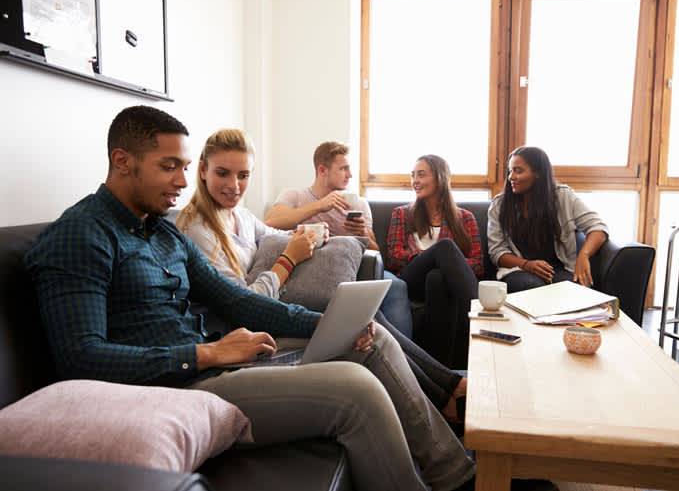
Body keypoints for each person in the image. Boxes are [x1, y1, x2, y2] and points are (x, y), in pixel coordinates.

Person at [23, 106, 475, 491]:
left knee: (370, 338)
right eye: (169, 166)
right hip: (179, 385)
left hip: (217, 362)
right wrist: (204, 353)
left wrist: (325, 325)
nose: (184, 181)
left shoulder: (159, 231)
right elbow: (79, 359)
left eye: (185, 166)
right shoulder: (80, 236)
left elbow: (237, 302)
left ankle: (458, 475)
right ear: (122, 161)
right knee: (355, 391)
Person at [176, 128, 467, 423]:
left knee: (369, 320)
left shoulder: (240, 215)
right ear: (202, 170)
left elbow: (276, 233)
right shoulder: (199, 230)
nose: (234, 186)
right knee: (365, 332)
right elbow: (243, 306)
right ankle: (446, 396)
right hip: (248, 334)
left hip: (271, 314)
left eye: (244, 175)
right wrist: (289, 258)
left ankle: (449, 388)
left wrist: (309, 235)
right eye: (223, 173)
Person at [264, 141, 414, 338]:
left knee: (396, 285)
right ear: (322, 170)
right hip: (308, 269)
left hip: (355, 269)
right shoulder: (294, 195)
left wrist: (363, 233)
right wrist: (320, 206)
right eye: (344, 169)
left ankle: (398, 356)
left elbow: (376, 252)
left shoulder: (359, 203)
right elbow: (270, 222)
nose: (350, 175)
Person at [386, 155, 483, 370]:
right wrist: (428, 257)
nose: (415, 181)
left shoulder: (465, 218)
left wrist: (443, 264)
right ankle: (481, 315)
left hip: (440, 284)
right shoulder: (401, 214)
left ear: (440, 178)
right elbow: (393, 256)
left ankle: (443, 372)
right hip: (412, 280)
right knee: (445, 247)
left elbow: (478, 264)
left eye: (422, 174)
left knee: (437, 277)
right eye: (413, 175)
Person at [488, 146, 609, 293]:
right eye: (510, 171)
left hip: (559, 270)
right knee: (533, 287)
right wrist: (526, 264)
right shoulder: (499, 205)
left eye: (518, 171)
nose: (511, 177)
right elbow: (496, 252)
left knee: (576, 290)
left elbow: (597, 228)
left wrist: (583, 255)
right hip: (518, 270)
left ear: (538, 173)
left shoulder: (564, 196)